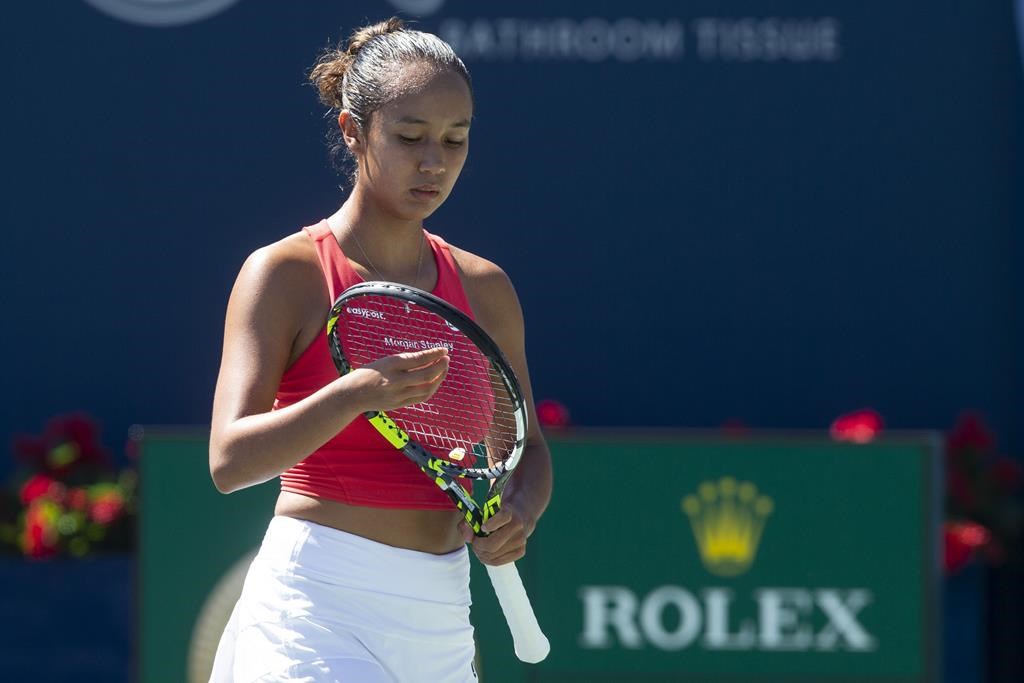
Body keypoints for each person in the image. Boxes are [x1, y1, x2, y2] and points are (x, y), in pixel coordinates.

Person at [206, 17, 552, 683]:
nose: (434, 161)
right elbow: (229, 460)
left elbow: (527, 449)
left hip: (442, 618)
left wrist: (519, 511)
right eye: (410, 136)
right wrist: (357, 392)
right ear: (352, 131)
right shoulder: (284, 274)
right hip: (313, 608)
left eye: (456, 140)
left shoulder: (485, 288)